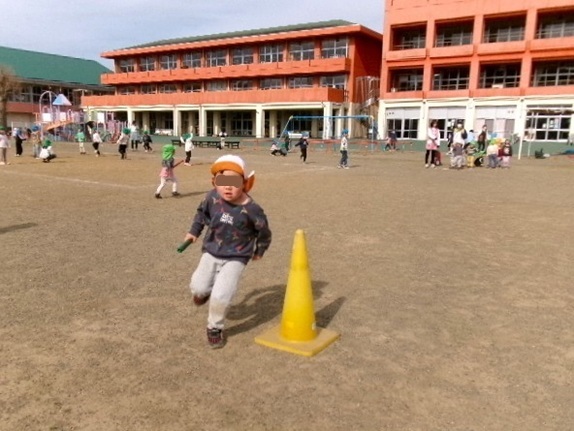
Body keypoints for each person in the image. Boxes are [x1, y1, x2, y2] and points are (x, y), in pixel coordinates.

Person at [182, 154, 271, 349]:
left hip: (237, 257)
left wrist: (260, 249)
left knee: (221, 294)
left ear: (245, 183)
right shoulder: (212, 197)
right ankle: (202, 293)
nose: (228, 187)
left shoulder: (253, 209)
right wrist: (194, 232)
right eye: (222, 181)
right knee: (198, 287)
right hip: (211, 250)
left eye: (234, 182)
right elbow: (201, 214)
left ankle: (215, 327)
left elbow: (264, 232)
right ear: (214, 182)